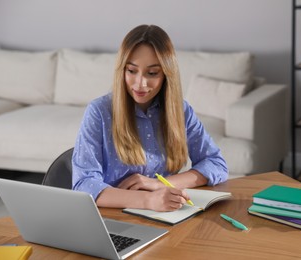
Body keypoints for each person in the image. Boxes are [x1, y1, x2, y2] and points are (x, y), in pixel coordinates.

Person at [72, 24, 228, 212]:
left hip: (164, 215)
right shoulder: (99, 111)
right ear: (122, 70)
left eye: (152, 73)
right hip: (112, 218)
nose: (140, 83)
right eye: (131, 71)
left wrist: (161, 185)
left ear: (166, 75)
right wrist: (147, 200)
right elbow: (84, 185)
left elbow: (216, 164)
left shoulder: (181, 110)